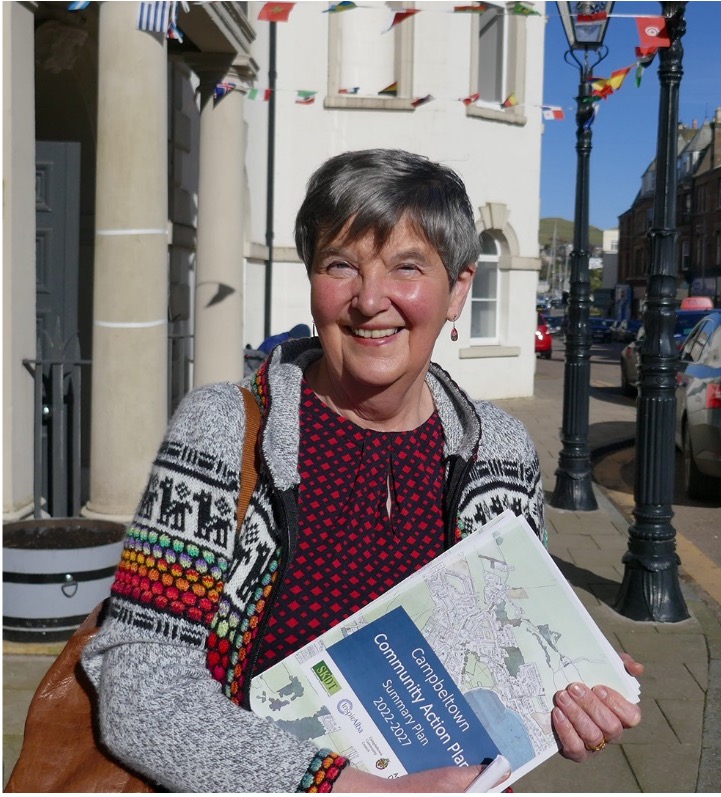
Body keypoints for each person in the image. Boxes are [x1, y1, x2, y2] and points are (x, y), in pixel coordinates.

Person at [82, 148, 642, 793]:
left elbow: (498, 668)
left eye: (407, 267)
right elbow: (139, 681)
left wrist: (561, 694)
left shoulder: (503, 451)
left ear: (459, 289)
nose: (369, 300)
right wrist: (345, 789)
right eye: (341, 265)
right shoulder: (224, 429)